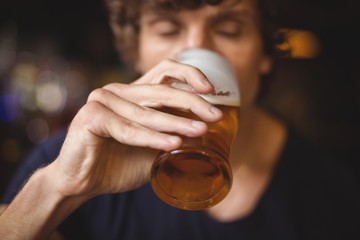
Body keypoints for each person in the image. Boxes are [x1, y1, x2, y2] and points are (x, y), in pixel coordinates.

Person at [0, 0, 359, 239]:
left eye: (229, 29)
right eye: (168, 30)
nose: (198, 53)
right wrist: (59, 189)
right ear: (136, 54)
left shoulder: (333, 193)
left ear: (264, 54)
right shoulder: (72, 158)